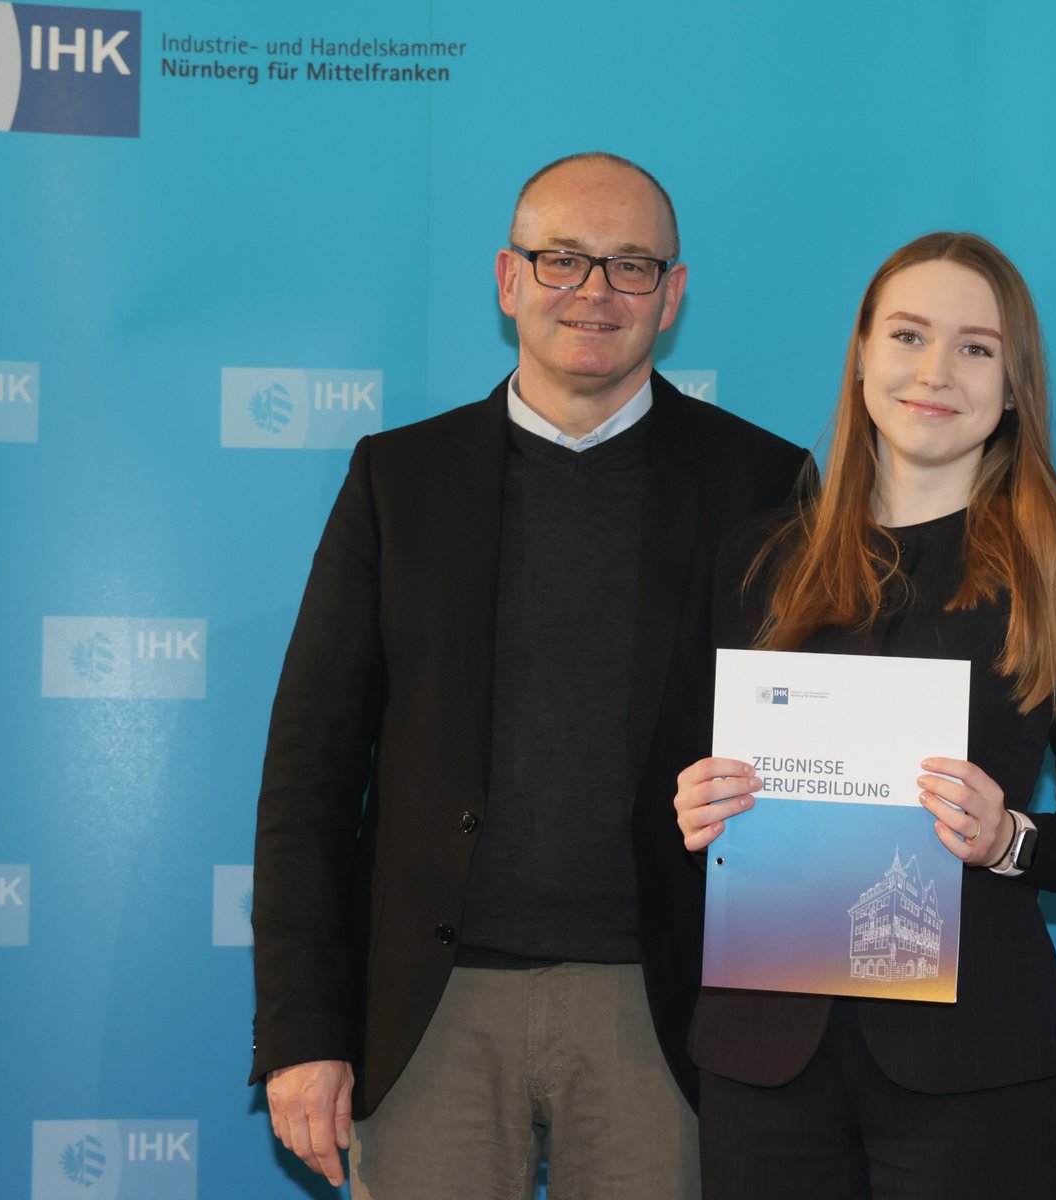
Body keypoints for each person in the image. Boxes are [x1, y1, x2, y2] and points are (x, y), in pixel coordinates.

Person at [249, 151, 812, 1199]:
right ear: (509, 279)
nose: (595, 291)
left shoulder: (767, 485)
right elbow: (308, 780)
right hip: (429, 1012)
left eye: (631, 265)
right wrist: (301, 1031)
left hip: (668, 1012)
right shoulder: (398, 481)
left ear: (672, 296)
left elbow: (813, 762)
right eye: (563, 260)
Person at [674, 231, 1056, 1200]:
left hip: (975, 1061)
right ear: (861, 356)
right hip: (764, 1058)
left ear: (1014, 385)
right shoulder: (758, 557)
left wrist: (1008, 840)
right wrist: (698, 806)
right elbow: (698, 783)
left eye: (977, 348)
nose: (936, 372)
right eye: (908, 335)